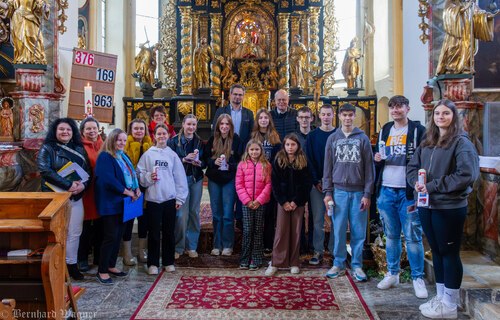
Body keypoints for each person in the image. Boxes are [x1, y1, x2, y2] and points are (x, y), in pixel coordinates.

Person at [407, 100, 479, 319]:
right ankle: (441, 297)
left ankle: (450, 303)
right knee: (436, 252)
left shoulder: (461, 142)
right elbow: (412, 167)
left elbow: (466, 175)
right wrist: (416, 184)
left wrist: (431, 186)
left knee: (449, 253)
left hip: (449, 206)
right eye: (437, 113)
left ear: (453, 116)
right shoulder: (428, 140)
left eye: (446, 113)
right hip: (427, 205)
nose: (440, 117)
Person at [374, 95, 428, 298]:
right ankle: (393, 273)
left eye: (399, 107)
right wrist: (377, 159)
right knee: (392, 236)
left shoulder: (417, 130)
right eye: (392, 107)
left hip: (408, 192)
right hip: (387, 188)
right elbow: (381, 157)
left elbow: (424, 157)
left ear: (407, 108)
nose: (395, 110)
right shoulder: (386, 129)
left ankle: (417, 277)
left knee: (413, 236)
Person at [323, 103, 374, 282]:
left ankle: (357, 265)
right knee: (338, 229)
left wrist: (367, 194)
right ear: (339, 116)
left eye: (350, 115)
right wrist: (327, 192)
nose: (347, 118)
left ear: (354, 116)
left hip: (359, 191)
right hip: (339, 192)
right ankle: (338, 262)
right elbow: (327, 167)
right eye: (344, 115)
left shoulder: (363, 138)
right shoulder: (333, 138)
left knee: (358, 231)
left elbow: (369, 168)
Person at [38, 118, 90, 281]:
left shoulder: (79, 148)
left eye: (68, 129)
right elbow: (44, 170)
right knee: (58, 232)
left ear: (72, 131)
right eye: (61, 129)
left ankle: (71, 264)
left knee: (75, 232)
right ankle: (57, 265)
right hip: (55, 197)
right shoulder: (47, 148)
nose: (65, 132)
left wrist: (83, 186)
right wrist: (68, 185)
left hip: (76, 197)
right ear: (55, 131)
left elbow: (88, 171)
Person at [137, 124, 188, 275]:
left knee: (168, 232)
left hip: (169, 199)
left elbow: (180, 178)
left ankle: (168, 261)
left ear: (168, 136)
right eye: (158, 134)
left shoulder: (172, 155)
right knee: (153, 232)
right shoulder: (148, 154)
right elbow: (140, 174)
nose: (161, 136)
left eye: (164, 134)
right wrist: (148, 177)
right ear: (154, 136)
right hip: (153, 199)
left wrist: (180, 198)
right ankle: (153, 263)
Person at [94, 129, 141, 285]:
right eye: (118, 140)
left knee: (118, 235)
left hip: (123, 202)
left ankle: (111, 265)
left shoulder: (123, 156)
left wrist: (137, 188)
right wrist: (128, 192)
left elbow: (132, 174)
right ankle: (102, 270)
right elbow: (107, 179)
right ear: (111, 141)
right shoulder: (105, 157)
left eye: (123, 140)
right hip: (110, 202)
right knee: (110, 236)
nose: (121, 143)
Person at [265, 133, 312, 276]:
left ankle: (294, 262)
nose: (290, 147)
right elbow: (275, 183)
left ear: (298, 146)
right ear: (284, 146)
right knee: (281, 231)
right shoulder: (279, 159)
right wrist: (284, 201)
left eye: (293, 144)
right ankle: (276, 262)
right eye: (287, 144)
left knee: (296, 231)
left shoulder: (303, 160)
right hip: (283, 202)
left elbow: (306, 184)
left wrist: (296, 201)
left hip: (298, 202)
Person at [168, 114, 206, 259]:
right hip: (179, 181)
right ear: (183, 124)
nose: (191, 127)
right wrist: (184, 159)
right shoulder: (173, 142)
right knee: (181, 215)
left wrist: (199, 163)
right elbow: (169, 160)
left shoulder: (199, 142)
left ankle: (192, 246)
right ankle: (179, 246)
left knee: (194, 213)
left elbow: (205, 161)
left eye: (193, 125)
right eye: (188, 124)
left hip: (195, 179)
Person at [205, 114, 242, 256]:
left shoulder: (236, 140)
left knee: (227, 214)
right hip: (214, 179)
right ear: (218, 126)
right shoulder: (212, 139)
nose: (224, 127)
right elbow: (205, 158)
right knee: (216, 214)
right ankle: (217, 244)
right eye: (222, 124)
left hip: (229, 180)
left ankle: (227, 245)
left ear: (231, 126)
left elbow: (240, 160)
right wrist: (213, 162)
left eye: (227, 124)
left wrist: (230, 164)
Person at [305, 104, 336, 265]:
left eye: (328, 114)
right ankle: (318, 251)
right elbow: (308, 160)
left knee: (335, 218)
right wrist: (316, 180)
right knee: (317, 219)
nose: (325, 117)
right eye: (323, 114)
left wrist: (332, 181)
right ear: (319, 116)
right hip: (316, 185)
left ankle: (333, 251)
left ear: (333, 115)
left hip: (336, 185)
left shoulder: (339, 134)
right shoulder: (312, 136)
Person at [235, 140, 272, 270]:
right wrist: (247, 201)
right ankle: (244, 258)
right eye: (252, 150)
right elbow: (239, 185)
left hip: (260, 203)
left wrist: (259, 200)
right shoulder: (242, 165)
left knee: (258, 230)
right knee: (247, 230)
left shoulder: (266, 165)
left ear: (261, 150)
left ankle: (256, 259)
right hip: (247, 203)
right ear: (248, 151)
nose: (254, 152)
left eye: (257, 149)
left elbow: (268, 185)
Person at [436, 0, 499, 75]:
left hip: (467, 34)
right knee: (454, 49)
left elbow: (479, 15)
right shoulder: (451, 1)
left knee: (467, 49)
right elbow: (449, 12)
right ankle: (452, 66)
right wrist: (465, 7)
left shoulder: (470, 3)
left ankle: (465, 66)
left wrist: (490, 16)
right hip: (456, 35)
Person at [250, 108, 281, 256]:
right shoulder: (252, 136)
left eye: (266, 118)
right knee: (256, 212)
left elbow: (278, 158)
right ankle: (256, 244)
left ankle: (268, 244)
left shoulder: (274, 136)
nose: (263, 120)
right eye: (261, 118)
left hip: (271, 178)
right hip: (256, 179)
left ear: (269, 120)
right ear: (257, 120)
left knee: (269, 213)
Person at [123, 119, 153, 265]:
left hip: (145, 187)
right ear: (131, 130)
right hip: (129, 188)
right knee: (129, 220)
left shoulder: (150, 145)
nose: (139, 131)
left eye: (142, 128)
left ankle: (142, 251)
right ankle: (127, 254)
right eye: (136, 129)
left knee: (144, 220)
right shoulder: (125, 145)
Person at [78, 117, 104, 273]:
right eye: (88, 129)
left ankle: (99, 257)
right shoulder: (79, 147)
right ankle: (82, 258)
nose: (92, 131)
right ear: (83, 131)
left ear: (98, 129)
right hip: (86, 192)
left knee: (101, 227)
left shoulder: (105, 145)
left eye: (94, 128)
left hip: (102, 193)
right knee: (85, 228)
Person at [0, 0, 50, 64]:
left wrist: (45, 8)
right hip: (17, 20)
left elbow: (41, 6)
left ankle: (36, 58)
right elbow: (8, 6)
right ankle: (22, 58)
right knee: (20, 41)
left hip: (30, 18)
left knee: (33, 37)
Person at [295, 106, 315, 254]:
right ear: (297, 119)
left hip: (314, 180)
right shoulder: (293, 137)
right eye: (301, 117)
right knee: (299, 213)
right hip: (299, 181)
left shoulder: (315, 135)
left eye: (307, 117)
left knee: (314, 213)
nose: (304, 120)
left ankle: (313, 244)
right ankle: (300, 244)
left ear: (312, 119)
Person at [213, 84, 254, 148]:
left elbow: (252, 132)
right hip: (224, 146)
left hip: (243, 148)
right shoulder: (220, 111)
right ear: (230, 95)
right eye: (235, 94)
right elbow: (215, 130)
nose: (237, 97)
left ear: (243, 96)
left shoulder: (249, 113)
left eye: (240, 95)